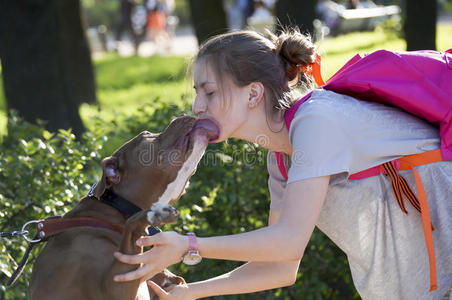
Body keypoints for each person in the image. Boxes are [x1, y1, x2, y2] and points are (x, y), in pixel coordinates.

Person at [112, 28, 452, 299]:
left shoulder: (316, 121)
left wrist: (188, 245)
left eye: (210, 92)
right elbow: (279, 266)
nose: (198, 105)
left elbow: (289, 241)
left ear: (254, 94)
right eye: (197, 93)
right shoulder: (282, 159)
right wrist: (190, 293)